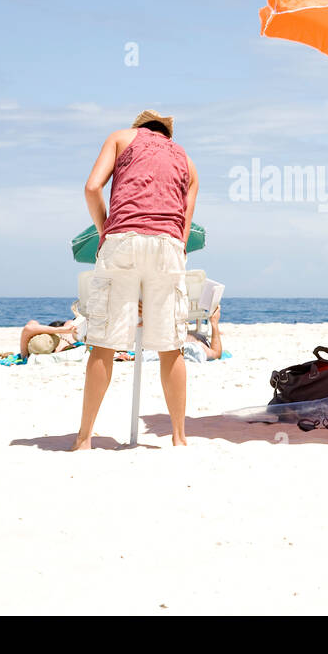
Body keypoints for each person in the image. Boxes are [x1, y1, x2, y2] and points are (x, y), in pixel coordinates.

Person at [73, 110, 199, 450]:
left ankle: (84, 439)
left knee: (104, 344)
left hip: (123, 241)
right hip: (168, 246)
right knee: (172, 348)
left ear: (139, 128)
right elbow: (184, 229)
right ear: (167, 136)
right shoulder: (187, 160)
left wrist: (104, 231)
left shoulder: (119, 138)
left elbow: (91, 188)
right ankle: (178, 437)